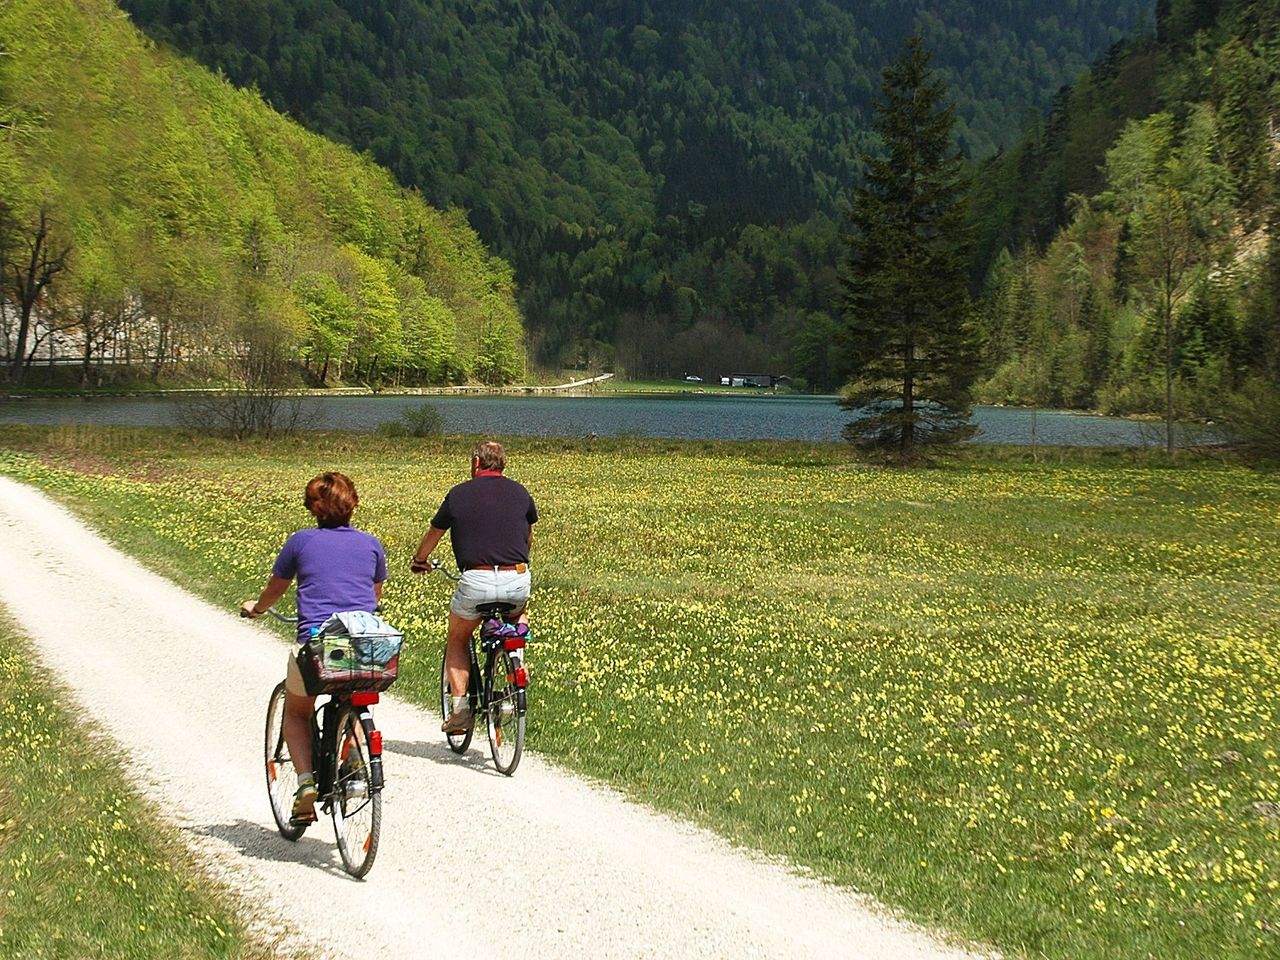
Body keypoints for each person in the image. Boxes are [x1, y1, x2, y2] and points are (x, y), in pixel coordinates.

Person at [242, 471, 387, 821]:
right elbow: (375, 597)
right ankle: (352, 760)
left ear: (314, 509)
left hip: (318, 647)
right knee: (352, 693)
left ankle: (306, 782)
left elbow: (275, 589)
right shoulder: (371, 544)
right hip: (364, 646)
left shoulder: (301, 542)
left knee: (297, 711)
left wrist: (257, 609)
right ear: (352, 505)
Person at [410, 441, 537, 734]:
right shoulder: (520, 492)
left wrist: (420, 559)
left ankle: (459, 712)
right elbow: (528, 537)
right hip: (517, 576)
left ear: (477, 463)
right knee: (518, 614)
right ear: (503, 464)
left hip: (476, 579)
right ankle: (516, 662)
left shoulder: (458, 494)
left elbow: (435, 532)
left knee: (457, 638)